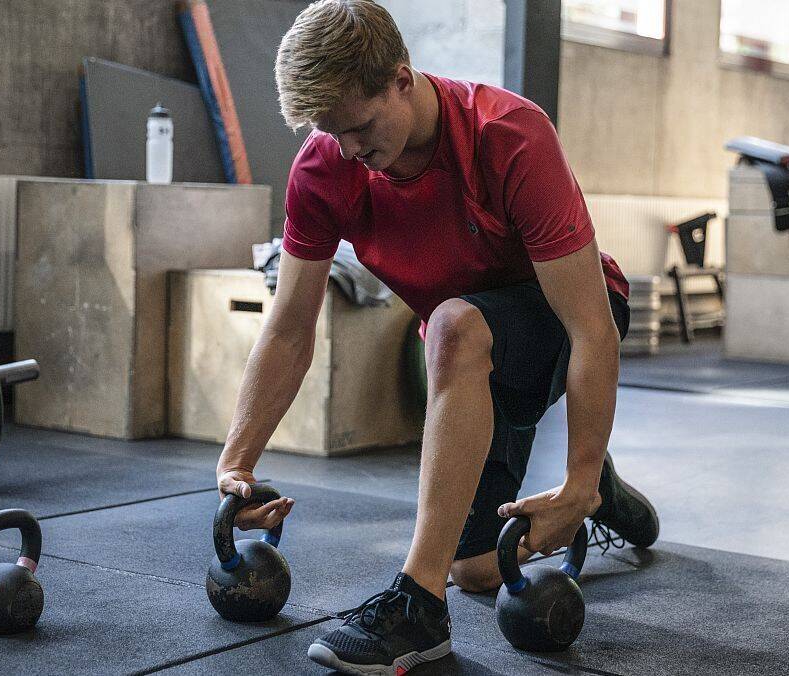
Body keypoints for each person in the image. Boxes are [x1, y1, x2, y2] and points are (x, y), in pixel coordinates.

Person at [215, 1, 659, 672]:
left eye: (359, 128)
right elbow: (287, 329)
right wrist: (236, 463)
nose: (350, 153)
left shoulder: (509, 134)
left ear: (402, 78)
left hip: (567, 321)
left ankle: (417, 607)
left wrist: (577, 473)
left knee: (450, 325)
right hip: (476, 359)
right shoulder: (326, 166)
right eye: (331, 133)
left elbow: (590, 327)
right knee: (477, 567)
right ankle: (609, 499)